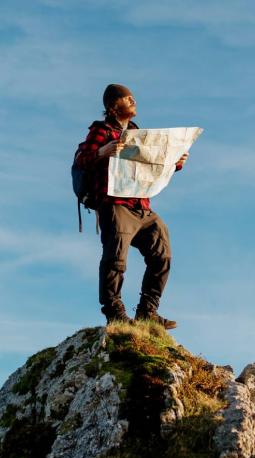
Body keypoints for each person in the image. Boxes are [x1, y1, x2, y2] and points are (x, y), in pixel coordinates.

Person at [74, 84, 188, 329]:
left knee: (162, 255)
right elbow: (81, 160)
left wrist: (175, 163)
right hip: (115, 204)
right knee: (116, 259)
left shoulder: (137, 132)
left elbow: (151, 164)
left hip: (141, 205)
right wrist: (102, 152)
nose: (134, 100)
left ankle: (147, 311)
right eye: (128, 98)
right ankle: (114, 312)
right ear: (114, 106)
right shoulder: (100, 131)